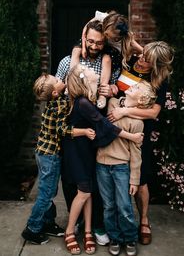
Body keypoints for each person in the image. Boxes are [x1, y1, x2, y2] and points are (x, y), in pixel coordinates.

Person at [63, 64, 144, 255]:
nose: (93, 70)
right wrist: (132, 137)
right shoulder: (82, 102)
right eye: (88, 69)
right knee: (83, 192)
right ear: (83, 78)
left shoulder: (88, 99)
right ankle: (69, 231)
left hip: (87, 149)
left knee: (89, 190)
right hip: (76, 150)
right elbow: (104, 125)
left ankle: (89, 231)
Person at [56, 18, 120, 246]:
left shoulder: (108, 61)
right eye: (90, 41)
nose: (94, 46)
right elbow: (59, 95)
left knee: (97, 179)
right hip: (74, 129)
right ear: (84, 38)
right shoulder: (66, 62)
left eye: (99, 43)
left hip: (99, 130)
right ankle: (78, 224)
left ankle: (96, 224)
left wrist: (112, 89)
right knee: (73, 179)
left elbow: (116, 90)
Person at [107, 41, 174, 246]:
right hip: (114, 125)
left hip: (138, 131)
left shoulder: (159, 79)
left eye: (148, 60)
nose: (142, 60)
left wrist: (125, 111)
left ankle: (144, 220)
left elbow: (154, 112)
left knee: (141, 177)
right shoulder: (131, 60)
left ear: (156, 65)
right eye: (143, 55)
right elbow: (127, 38)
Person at [21, 74, 96, 245]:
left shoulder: (54, 101)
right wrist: (83, 131)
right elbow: (62, 130)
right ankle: (32, 229)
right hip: (50, 156)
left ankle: (47, 223)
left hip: (42, 152)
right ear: (55, 92)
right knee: (46, 194)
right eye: (58, 81)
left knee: (49, 191)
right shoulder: (60, 105)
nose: (61, 79)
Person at [96, 81, 156, 256]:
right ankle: (114, 237)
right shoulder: (113, 104)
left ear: (142, 100)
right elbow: (107, 127)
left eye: (137, 88)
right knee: (108, 205)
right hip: (102, 164)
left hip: (122, 167)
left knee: (124, 206)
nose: (132, 86)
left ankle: (129, 238)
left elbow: (137, 155)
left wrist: (135, 180)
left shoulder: (138, 123)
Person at [70, 10, 142, 109]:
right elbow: (86, 28)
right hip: (90, 39)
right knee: (75, 51)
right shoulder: (102, 17)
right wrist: (83, 46)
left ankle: (102, 95)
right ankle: (72, 82)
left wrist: (145, 54)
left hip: (108, 49)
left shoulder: (126, 36)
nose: (107, 38)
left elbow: (140, 49)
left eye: (111, 38)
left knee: (107, 59)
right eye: (107, 34)